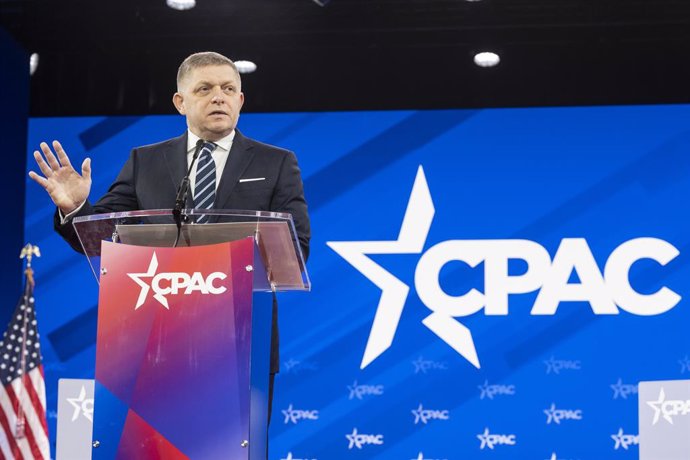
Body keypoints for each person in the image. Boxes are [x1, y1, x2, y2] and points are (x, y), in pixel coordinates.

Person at [28, 51, 310, 424]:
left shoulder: (276, 162)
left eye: (229, 89)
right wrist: (76, 208)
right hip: (156, 341)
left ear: (240, 100)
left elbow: (296, 248)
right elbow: (99, 240)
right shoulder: (145, 161)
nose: (218, 97)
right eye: (205, 89)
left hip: (243, 341)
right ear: (180, 101)